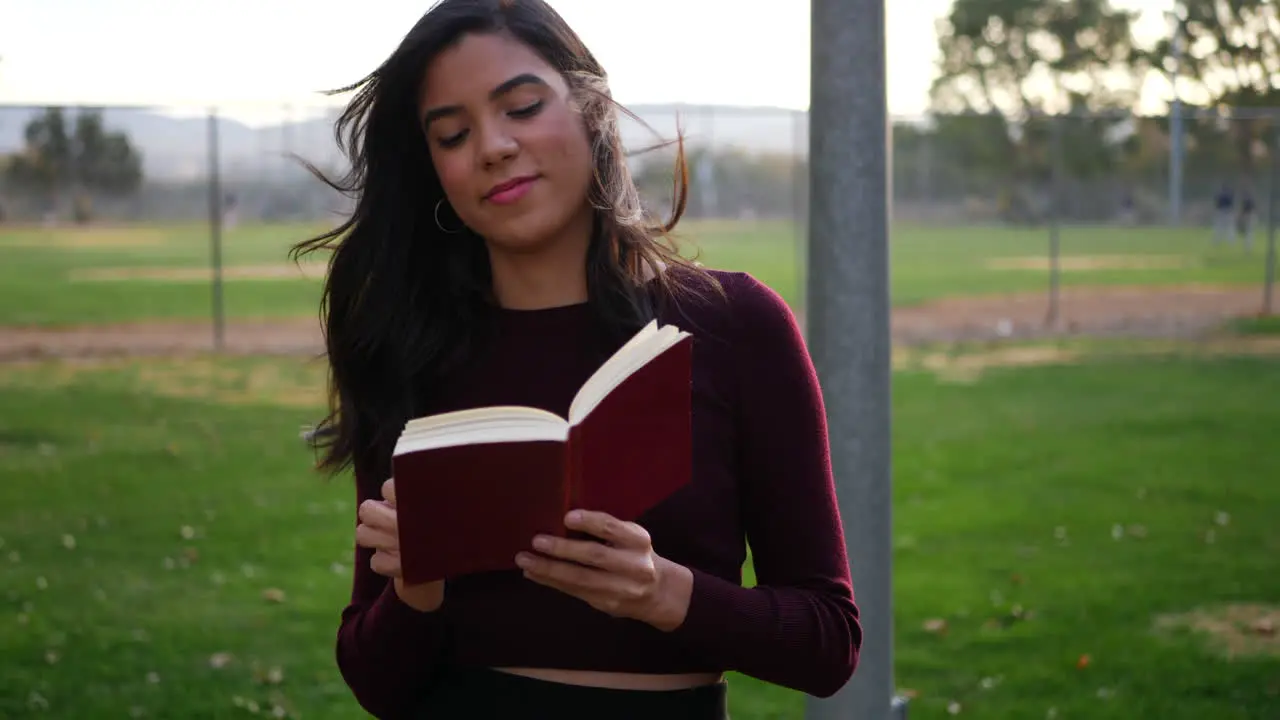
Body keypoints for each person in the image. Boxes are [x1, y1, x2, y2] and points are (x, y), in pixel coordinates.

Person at [292, 1, 861, 717]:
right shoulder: (411, 350)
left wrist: (662, 592)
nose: (492, 146)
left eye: (523, 107)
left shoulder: (736, 327)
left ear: (591, 110)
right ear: (433, 168)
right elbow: (374, 681)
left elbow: (827, 643)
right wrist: (416, 589)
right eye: (453, 133)